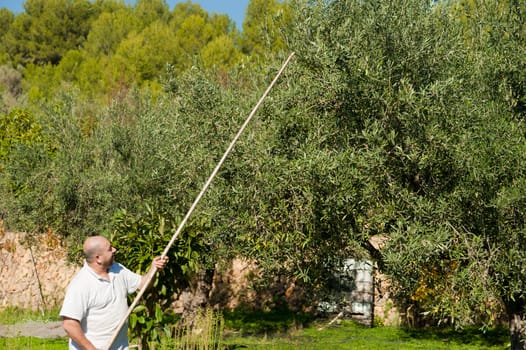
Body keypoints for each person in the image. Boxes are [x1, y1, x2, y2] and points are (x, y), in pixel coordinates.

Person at [60, 235, 168, 350]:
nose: (114, 250)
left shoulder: (117, 269)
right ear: (98, 258)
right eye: (110, 248)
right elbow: (69, 324)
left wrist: (154, 268)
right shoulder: (81, 284)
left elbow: (143, 284)